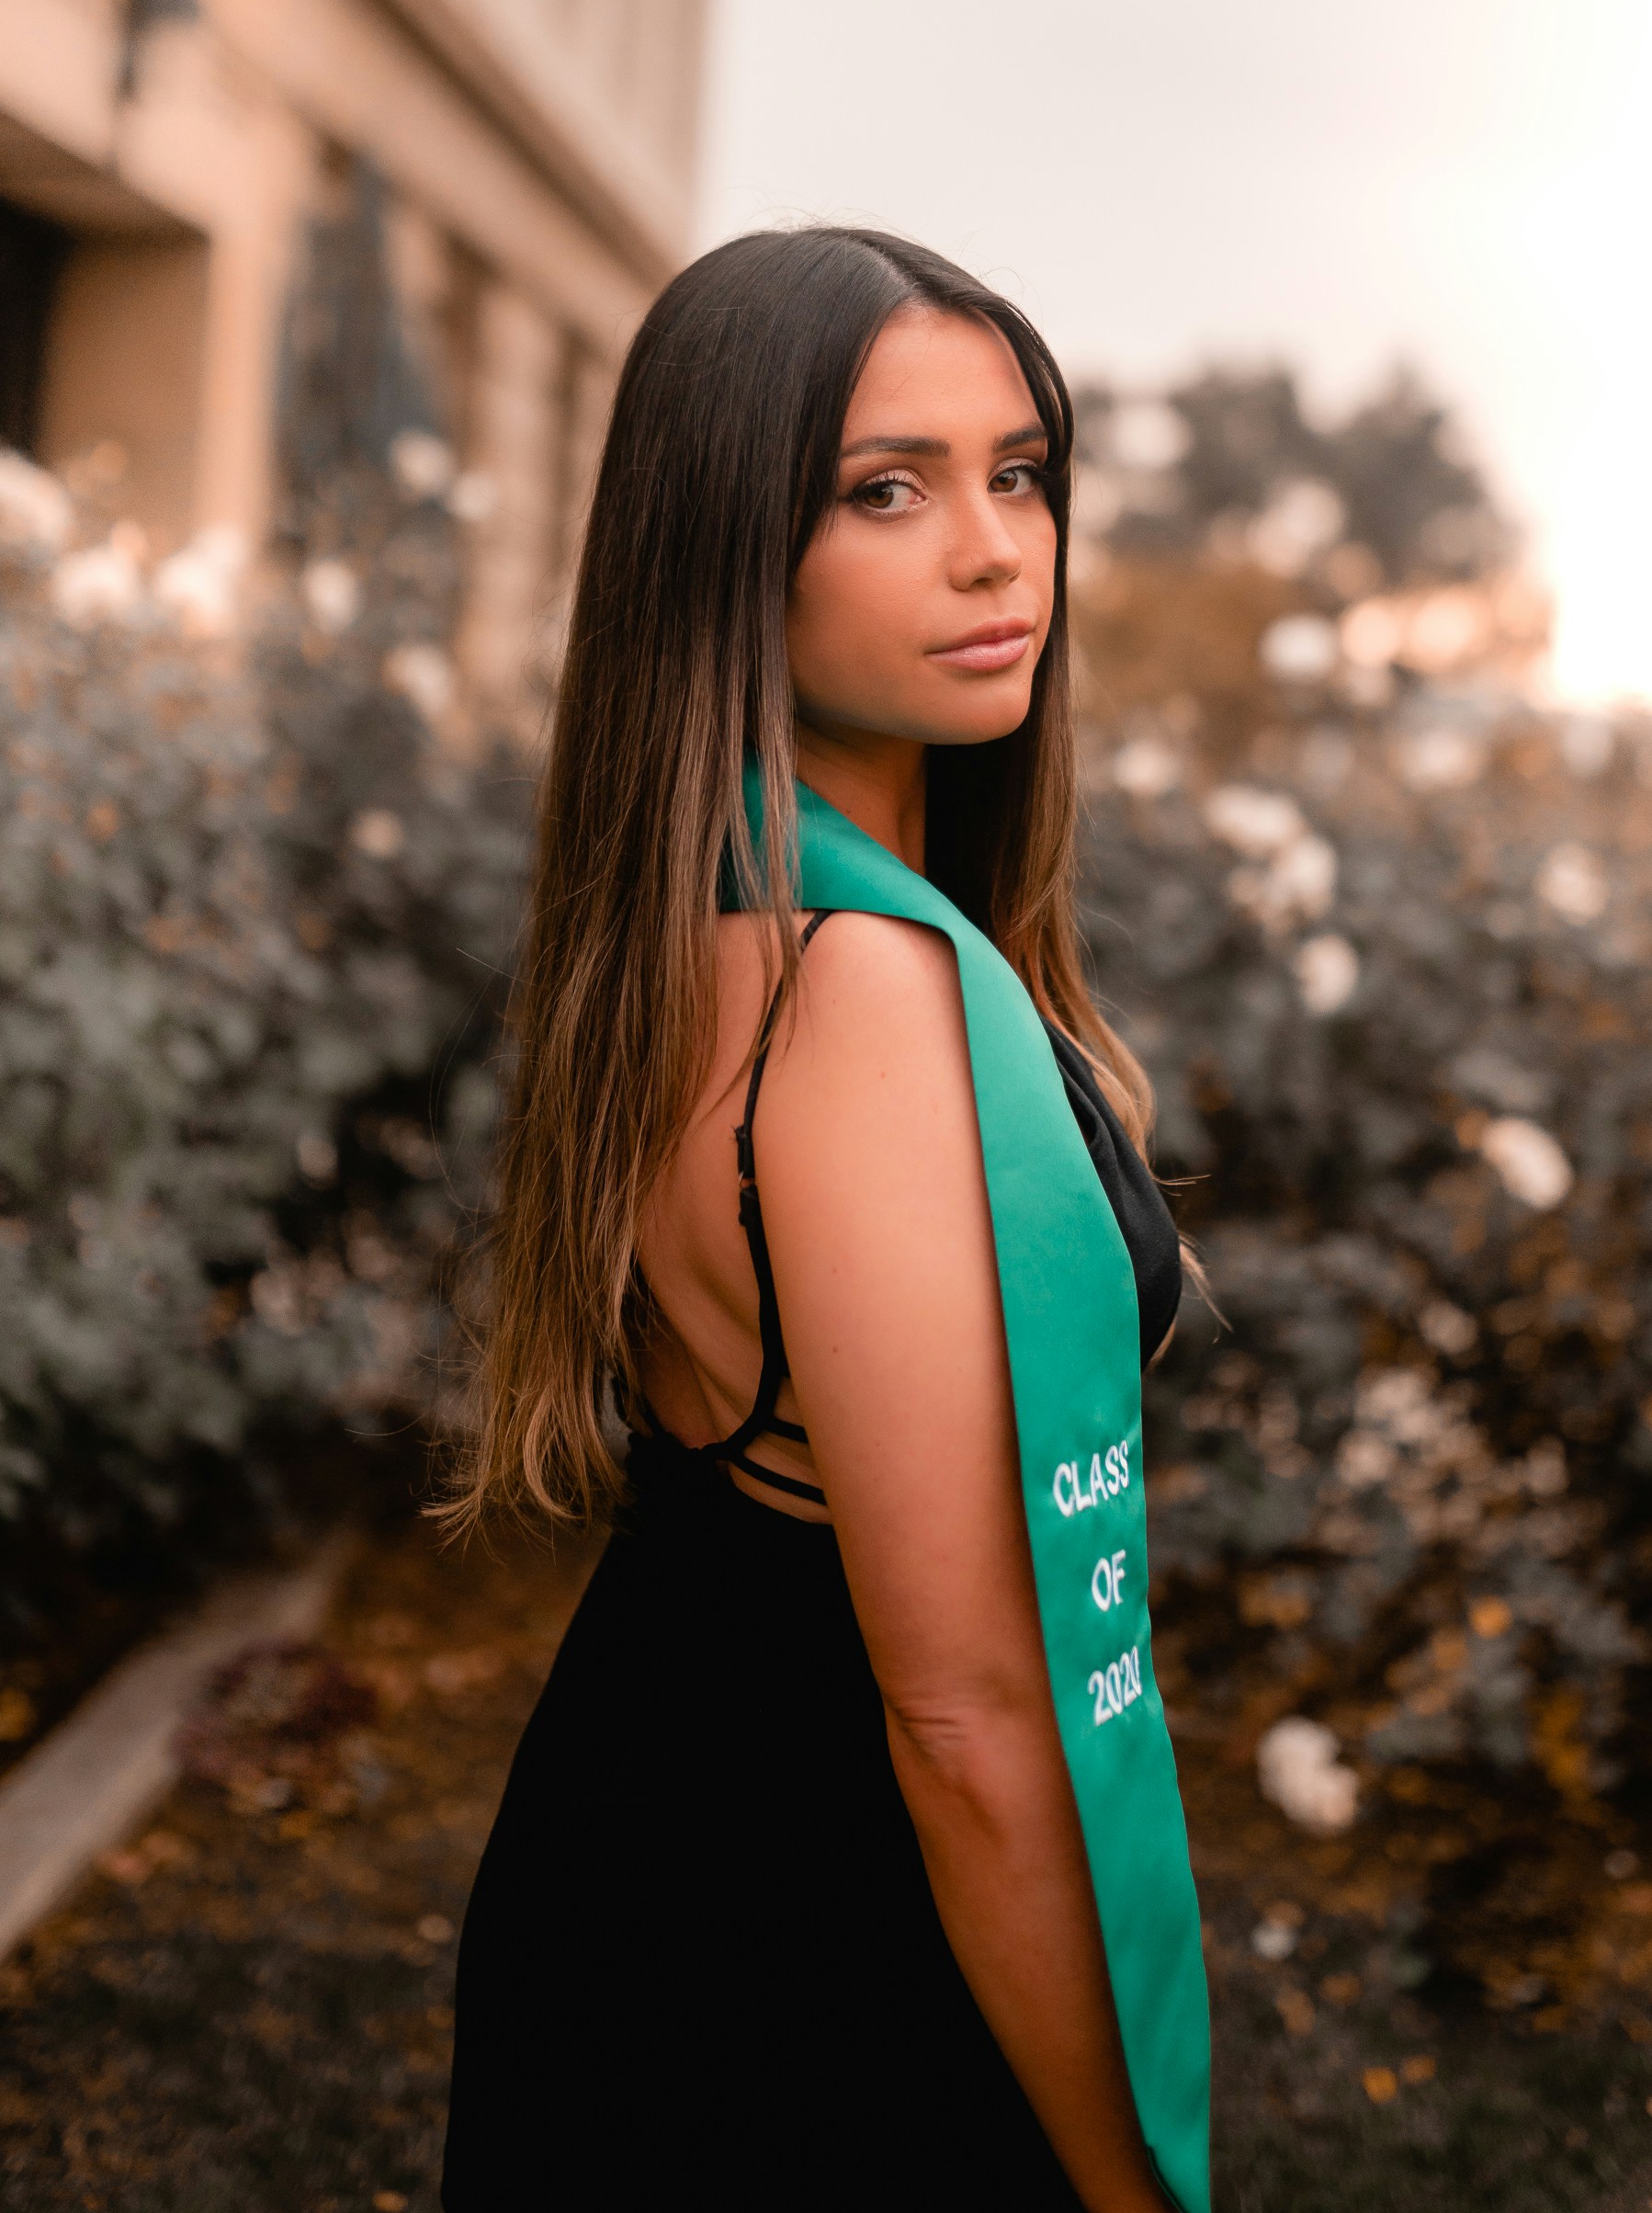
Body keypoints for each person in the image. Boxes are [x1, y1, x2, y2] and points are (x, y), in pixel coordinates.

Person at [440, 228, 1209, 2213]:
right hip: (811, 1936)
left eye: (1017, 471)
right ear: (726, 547)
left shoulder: (681, 925)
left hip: (648, 1812)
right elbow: (962, 1715)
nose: (992, 548)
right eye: (888, 488)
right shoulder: (859, 990)